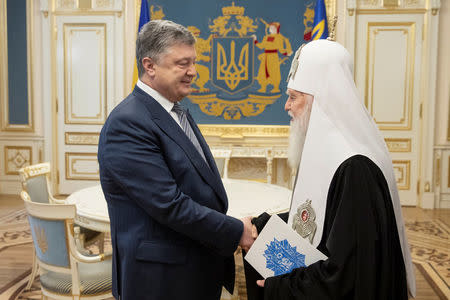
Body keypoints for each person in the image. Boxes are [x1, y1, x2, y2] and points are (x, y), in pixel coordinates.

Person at [244, 39, 416, 299]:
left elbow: (349, 272)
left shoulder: (354, 167)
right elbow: (318, 217)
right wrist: (263, 225)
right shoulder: (326, 152)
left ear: (319, 101)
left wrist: (280, 289)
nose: (286, 106)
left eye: (293, 97)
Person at [98, 20, 254, 300]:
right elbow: (169, 205)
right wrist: (235, 230)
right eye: (182, 64)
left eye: (193, 62)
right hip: (159, 281)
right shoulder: (128, 123)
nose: (193, 72)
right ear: (149, 66)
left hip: (188, 269)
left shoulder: (176, 110)